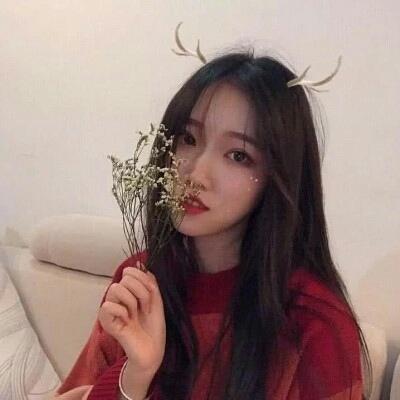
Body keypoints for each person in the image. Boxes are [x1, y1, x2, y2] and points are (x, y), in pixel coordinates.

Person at [54, 50, 372, 400]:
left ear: (277, 177)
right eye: (189, 139)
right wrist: (134, 378)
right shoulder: (140, 280)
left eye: (238, 155)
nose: (196, 174)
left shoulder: (314, 322)